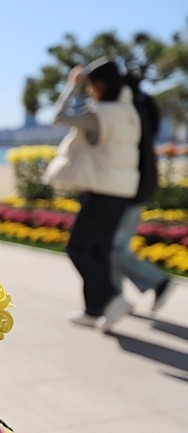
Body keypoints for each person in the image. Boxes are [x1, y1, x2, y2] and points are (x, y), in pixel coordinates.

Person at [51, 58, 141, 332]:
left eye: (90, 86)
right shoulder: (129, 112)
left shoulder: (98, 114)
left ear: (99, 85)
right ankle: (94, 310)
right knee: (98, 250)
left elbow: (58, 117)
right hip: (123, 190)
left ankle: (112, 299)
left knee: (77, 248)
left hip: (101, 191)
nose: (89, 91)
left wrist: (71, 86)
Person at [110, 75, 175, 313]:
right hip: (138, 184)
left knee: (114, 247)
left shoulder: (131, 111)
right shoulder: (144, 106)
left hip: (132, 188)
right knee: (114, 246)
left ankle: (159, 282)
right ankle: (116, 298)